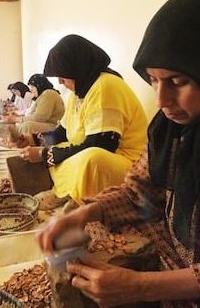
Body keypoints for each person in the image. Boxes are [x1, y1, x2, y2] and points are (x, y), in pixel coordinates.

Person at [37, 0, 200, 307]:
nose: (162, 99)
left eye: (178, 81)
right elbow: (142, 193)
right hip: (180, 283)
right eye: (152, 80)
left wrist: (140, 288)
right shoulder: (173, 127)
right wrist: (85, 212)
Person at [15, 35, 148, 207]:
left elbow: (101, 145)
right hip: (92, 151)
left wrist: (44, 154)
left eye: (63, 76)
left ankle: (78, 199)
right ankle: (66, 191)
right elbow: (62, 132)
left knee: (91, 159)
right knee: (60, 149)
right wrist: (32, 139)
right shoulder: (78, 92)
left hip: (127, 163)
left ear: (77, 68)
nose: (60, 82)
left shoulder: (106, 86)